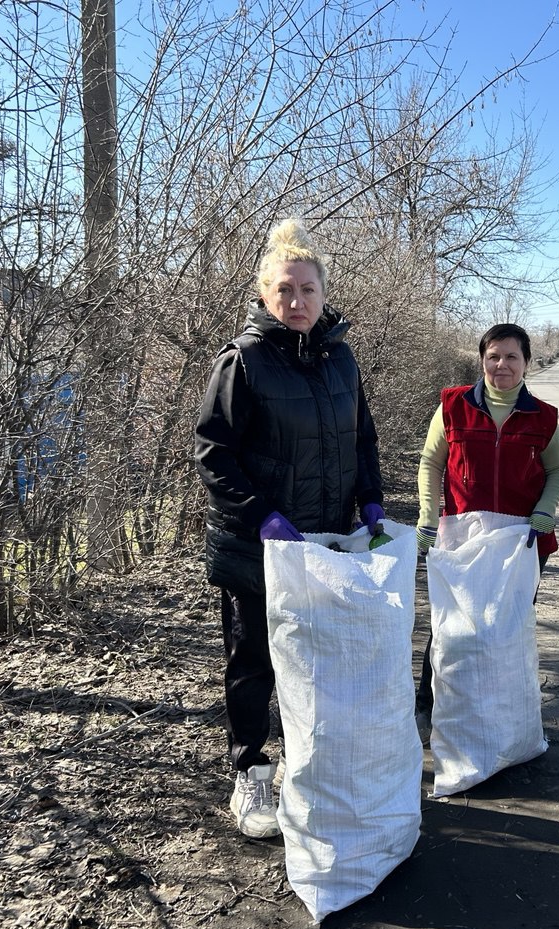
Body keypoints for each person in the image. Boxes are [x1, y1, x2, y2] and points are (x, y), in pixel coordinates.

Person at [192, 219, 385, 838]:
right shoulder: (243, 361)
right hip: (259, 545)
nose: (297, 301)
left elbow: (362, 438)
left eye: (307, 290)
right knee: (255, 660)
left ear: (324, 294)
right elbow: (213, 451)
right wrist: (260, 515)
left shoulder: (342, 359)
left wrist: (371, 500)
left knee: (317, 658)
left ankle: (310, 764)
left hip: (324, 543)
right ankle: (249, 770)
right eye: (285, 290)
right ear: (264, 294)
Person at [414, 323, 559, 733]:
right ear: (482, 359)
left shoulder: (543, 417)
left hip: (523, 542)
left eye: (512, 357)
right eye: (494, 356)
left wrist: (545, 510)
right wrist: (428, 517)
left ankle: (496, 712)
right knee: (451, 627)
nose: (502, 365)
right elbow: (431, 463)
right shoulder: (453, 406)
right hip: (464, 539)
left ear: (526, 363)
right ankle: (430, 707)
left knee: (508, 629)